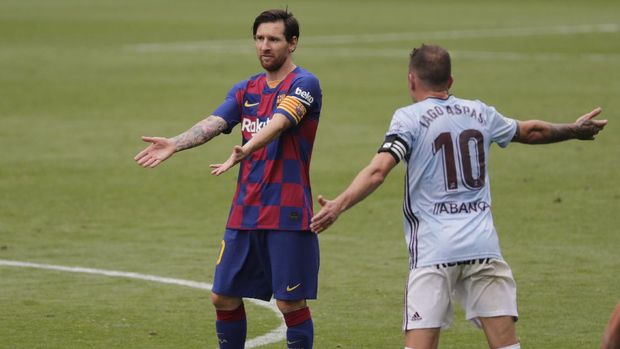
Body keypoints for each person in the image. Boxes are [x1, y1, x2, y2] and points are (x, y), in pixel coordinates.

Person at [310, 44, 607, 349]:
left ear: (411, 80)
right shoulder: (479, 112)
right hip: (482, 246)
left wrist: (338, 206)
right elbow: (530, 131)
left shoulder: (408, 119)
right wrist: (573, 129)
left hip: (433, 251)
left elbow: (378, 171)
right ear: (450, 81)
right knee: (507, 346)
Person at [134, 9, 322, 349]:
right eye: (260, 39)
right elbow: (215, 122)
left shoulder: (304, 84)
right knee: (223, 297)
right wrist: (176, 143)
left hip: (286, 213)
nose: (265, 46)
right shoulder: (246, 89)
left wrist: (247, 148)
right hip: (245, 211)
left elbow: (281, 121)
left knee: (290, 303)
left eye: (274, 39)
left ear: (292, 43)